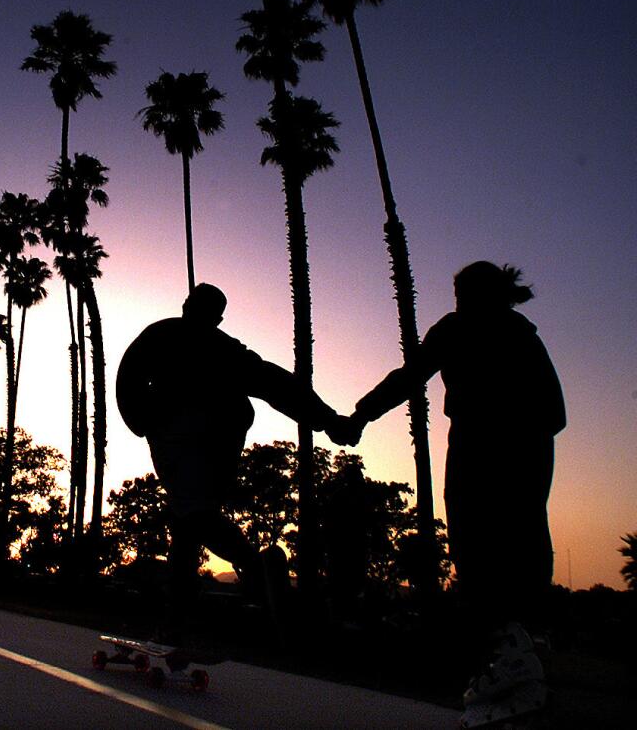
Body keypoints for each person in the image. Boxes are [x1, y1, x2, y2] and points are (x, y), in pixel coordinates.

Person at [344, 261, 564, 712]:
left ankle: (515, 654)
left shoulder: (476, 331)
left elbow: (409, 377)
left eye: (462, 291)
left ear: (483, 294)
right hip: (516, 450)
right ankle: (509, 654)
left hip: (492, 450)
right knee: (501, 550)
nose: (458, 299)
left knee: (490, 550)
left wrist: (362, 413)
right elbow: (555, 414)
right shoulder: (514, 334)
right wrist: (364, 412)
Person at [116, 283, 357, 642]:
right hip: (219, 443)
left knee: (193, 516)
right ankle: (178, 615)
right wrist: (328, 419)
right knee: (188, 521)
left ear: (191, 306)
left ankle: (251, 566)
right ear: (215, 316)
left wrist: (146, 420)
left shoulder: (164, 336)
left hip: (184, 437)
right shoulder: (222, 348)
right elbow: (274, 383)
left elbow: (128, 380)